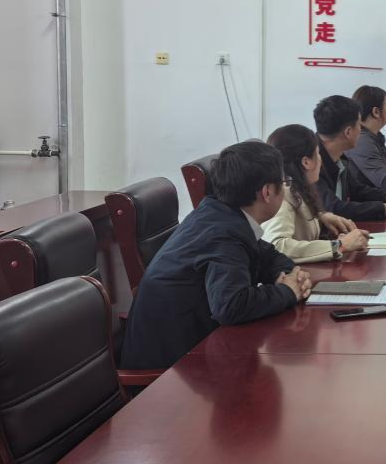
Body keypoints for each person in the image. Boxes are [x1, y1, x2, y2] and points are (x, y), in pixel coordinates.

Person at [118, 140, 310, 371]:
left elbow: (265, 255)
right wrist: (288, 291)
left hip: (195, 352)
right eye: (284, 183)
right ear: (267, 192)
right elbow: (231, 306)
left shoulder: (220, 213)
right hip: (169, 372)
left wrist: (289, 274)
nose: (286, 188)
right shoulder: (223, 234)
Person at [262, 123, 370, 262]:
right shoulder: (282, 195)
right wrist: (339, 245)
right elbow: (277, 246)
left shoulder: (296, 188)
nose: (320, 159)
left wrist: (321, 218)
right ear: (306, 162)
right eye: (317, 153)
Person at [313, 94, 386, 220]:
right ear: (348, 132)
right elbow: (333, 208)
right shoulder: (311, 162)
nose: (361, 131)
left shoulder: (339, 157)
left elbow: (357, 190)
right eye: (359, 125)